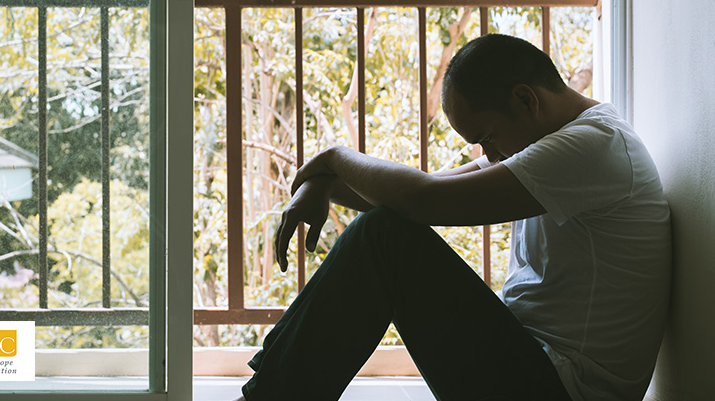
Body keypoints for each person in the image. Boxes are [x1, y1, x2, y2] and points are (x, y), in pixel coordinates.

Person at [235, 33, 671, 401]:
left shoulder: (594, 146)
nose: (490, 155)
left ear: (525, 100)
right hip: (533, 370)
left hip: (560, 389)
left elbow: (422, 201)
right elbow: (410, 195)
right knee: (386, 230)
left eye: (487, 138)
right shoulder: (547, 143)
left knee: (384, 237)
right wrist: (325, 183)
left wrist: (332, 157)